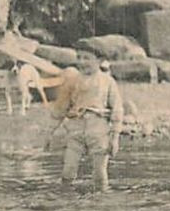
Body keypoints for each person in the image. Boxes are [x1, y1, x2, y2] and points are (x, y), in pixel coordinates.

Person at [49, 52, 124, 191]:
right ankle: (66, 199)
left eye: (87, 58)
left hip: (99, 130)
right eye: (79, 58)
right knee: (68, 170)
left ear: (100, 60)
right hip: (75, 129)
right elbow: (61, 108)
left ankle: (101, 201)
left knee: (100, 173)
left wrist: (115, 137)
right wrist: (50, 132)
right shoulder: (72, 81)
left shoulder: (108, 81)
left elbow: (117, 109)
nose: (82, 62)